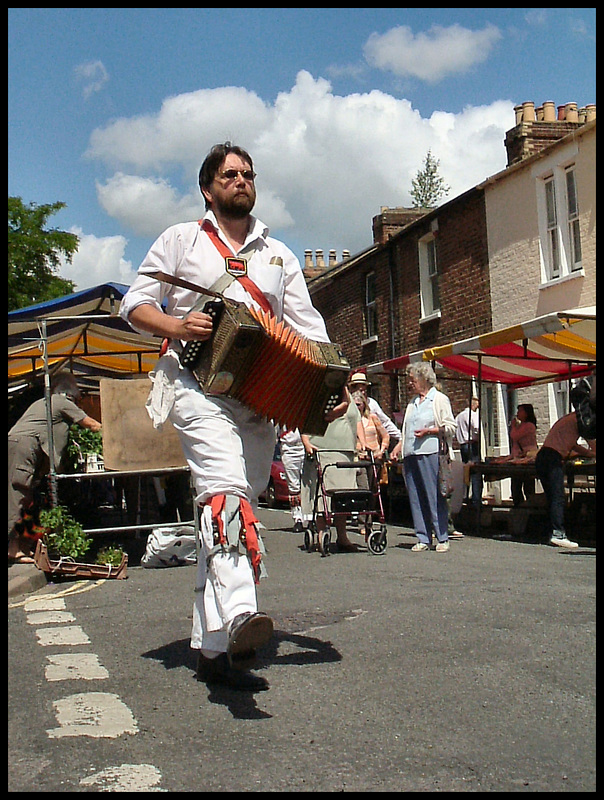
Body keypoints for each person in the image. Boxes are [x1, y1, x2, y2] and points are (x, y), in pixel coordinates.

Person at [120, 142, 345, 692]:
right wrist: (176, 327)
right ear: (208, 188)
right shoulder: (181, 239)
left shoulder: (278, 254)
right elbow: (134, 304)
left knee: (228, 507)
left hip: (258, 399)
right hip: (195, 386)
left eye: (247, 174)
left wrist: (333, 386)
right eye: (229, 174)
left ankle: (213, 650)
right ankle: (244, 610)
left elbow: (310, 331)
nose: (241, 181)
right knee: (225, 493)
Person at [8, 371, 102, 563]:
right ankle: (12, 549)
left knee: (24, 496)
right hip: (24, 447)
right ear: (71, 393)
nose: (78, 401)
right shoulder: (61, 402)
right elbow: (92, 425)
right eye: (78, 397)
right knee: (19, 493)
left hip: (20, 445)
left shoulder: (45, 403)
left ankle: (20, 546)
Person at [390, 363, 456, 552]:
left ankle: (442, 536)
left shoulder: (439, 400)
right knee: (416, 497)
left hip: (431, 453)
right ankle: (423, 537)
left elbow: (451, 427)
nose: (410, 383)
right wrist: (398, 448)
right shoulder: (412, 403)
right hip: (411, 454)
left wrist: (430, 431)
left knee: (433, 496)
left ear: (424, 379)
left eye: (413, 380)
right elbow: (406, 431)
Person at [300, 390, 367, 552]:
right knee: (322, 495)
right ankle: (322, 532)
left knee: (342, 496)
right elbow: (303, 420)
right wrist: (306, 442)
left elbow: (356, 422)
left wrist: (362, 443)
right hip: (321, 450)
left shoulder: (349, 398)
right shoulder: (318, 394)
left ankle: (342, 537)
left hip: (345, 452)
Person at [535, 412, 596, 548]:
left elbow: (573, 445)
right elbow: (592, 442)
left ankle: (549, 532)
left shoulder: (569, 419)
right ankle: (558, 534)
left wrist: (588, 453)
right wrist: (592, 452)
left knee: (551, 497)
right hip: (552, 457)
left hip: (543, 456)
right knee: (558, 496)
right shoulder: (584, 420)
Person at [348, 372, 400, 449]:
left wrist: (399, 436)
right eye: (360, 390)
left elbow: (385, 422)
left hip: (373, 452)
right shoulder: (346, 405)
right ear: (352, 389)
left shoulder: (372, 404)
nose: (363, 393)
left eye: (364, 390)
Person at [509, 403, 538, 506]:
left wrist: (513, 426)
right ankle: (519, 506)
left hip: (528, 458)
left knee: (528, 486)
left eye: (520, 411)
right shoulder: (520, 426)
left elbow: (515, 436)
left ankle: (530, 506)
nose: (518, 413)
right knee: (515, 487)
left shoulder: (529, 426)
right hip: (518, 459)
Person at [455, 396, 482, 507]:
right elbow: (476, 428)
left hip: (463, 445)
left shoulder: (459, 416)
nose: (478, 406)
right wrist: (477, 434)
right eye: (476, 404)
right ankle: (476, 500)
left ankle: (465, 497)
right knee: (475, 472)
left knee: (466, 472)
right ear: (473, 404)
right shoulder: (472, 415)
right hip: (472, 444)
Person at [278, 427, 305, 532]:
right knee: (294, 487)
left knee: (308, 485)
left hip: (305, 445)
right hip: (289, 449)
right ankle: (298, 518)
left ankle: (310, 517)